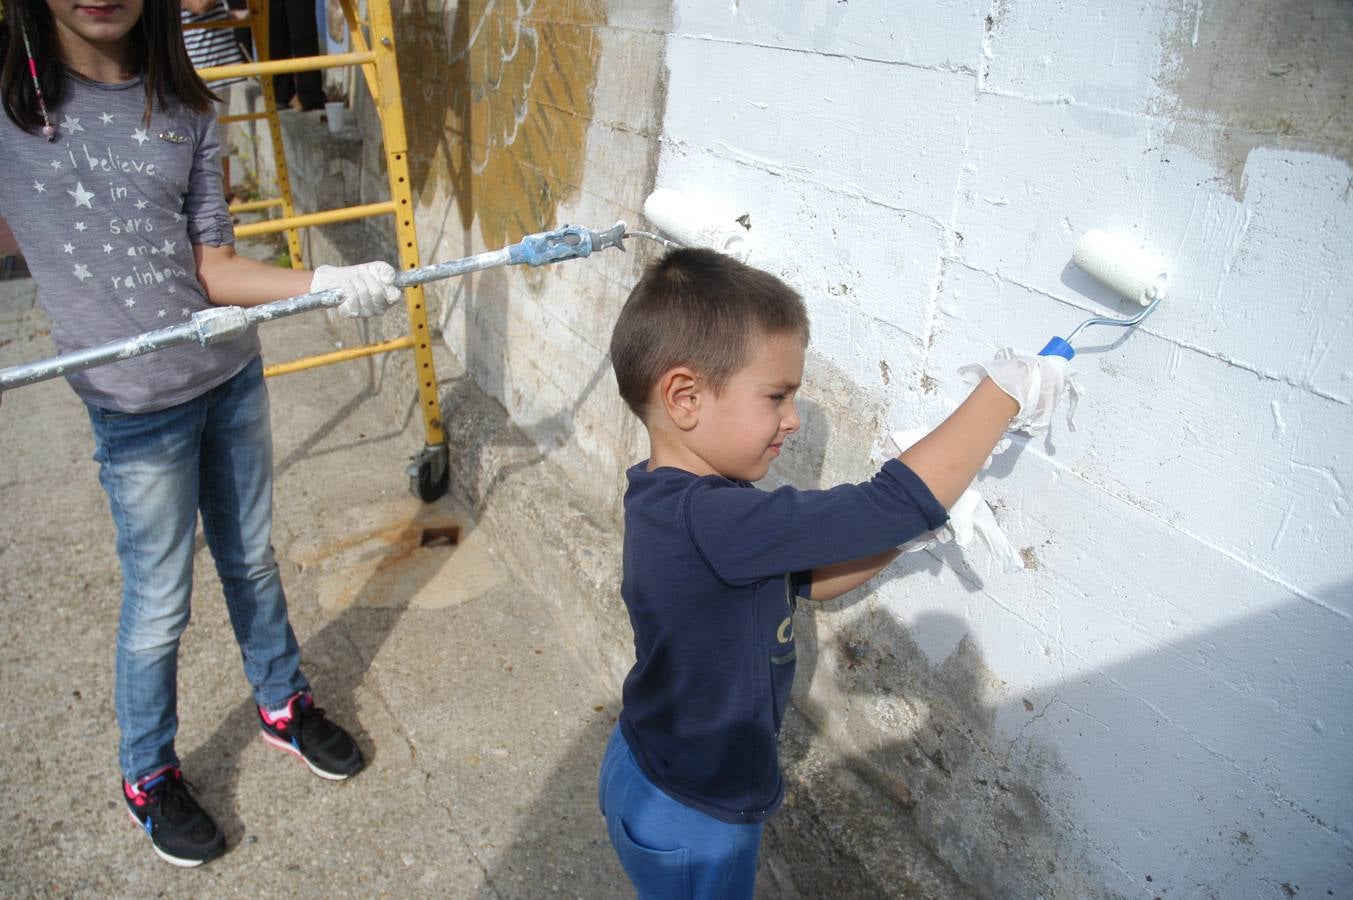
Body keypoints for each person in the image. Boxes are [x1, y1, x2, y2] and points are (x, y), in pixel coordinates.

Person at [0, 0, 403, 868]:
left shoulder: (187, 105)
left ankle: (282, 705)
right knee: (158, 604)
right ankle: (147, 774)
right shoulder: (10, 111)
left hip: (229, 380)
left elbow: (211, 265)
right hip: (134, 408)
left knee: (252, 557)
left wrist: (322, 281)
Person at [599, 248, 1070, 897]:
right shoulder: (717, 522)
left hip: (648, 763)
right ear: (684, 397)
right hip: (694, 811)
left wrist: (910, 538)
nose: (790, 418)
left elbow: (805, 582)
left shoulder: (675, 504)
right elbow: (890, 500)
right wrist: (1007, 389)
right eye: (776, 396)